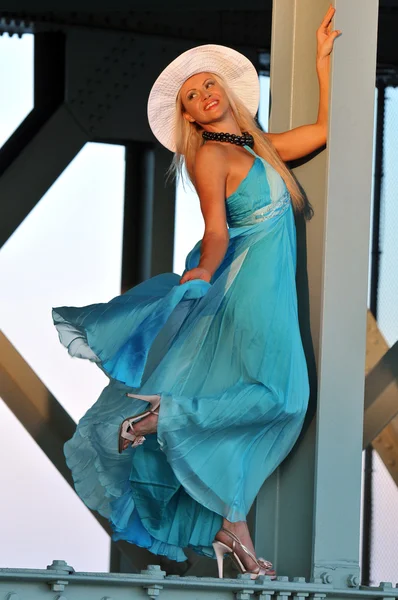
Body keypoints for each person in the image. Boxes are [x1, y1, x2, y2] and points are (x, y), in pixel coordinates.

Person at [52, 7, 340, 579]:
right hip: (251, 291)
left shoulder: (257, 148)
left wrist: (322, 63)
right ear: (187, 116)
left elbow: (324, 132)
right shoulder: (209, 155)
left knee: (280, 402)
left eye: (208, 84)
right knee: (283, 399)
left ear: (228, 92)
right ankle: (166, 416)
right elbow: (214, 231)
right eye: (190, 96)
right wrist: (202, 274)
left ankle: (231, 526)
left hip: (272, 292)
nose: (203, 95)